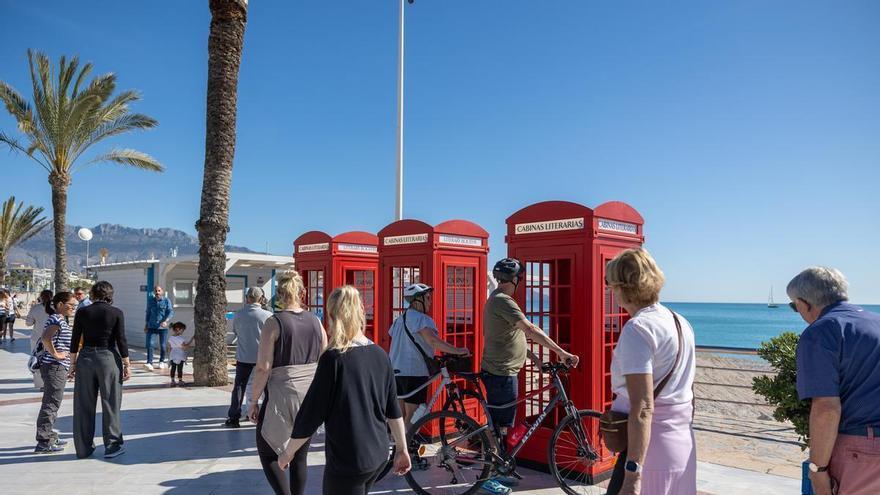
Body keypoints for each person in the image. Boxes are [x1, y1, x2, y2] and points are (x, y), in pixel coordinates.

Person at [277, 286, 411, 495]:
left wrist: (288, 452)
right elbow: (393, 409)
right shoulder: (380, 354)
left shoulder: (333, 359)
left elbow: (312, 413)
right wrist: (402, 449)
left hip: (349, 459)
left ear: (332, 317)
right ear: (359, 313)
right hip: (378, 454)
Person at [480, 258, 579, 491]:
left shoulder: (499, 300)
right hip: (501, 373)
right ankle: (489, 476)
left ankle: (499, 467)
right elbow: (530, 329)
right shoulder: (504, 301)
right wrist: (561, 352)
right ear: (515, 279)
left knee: (501, 426)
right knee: (498, 428)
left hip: (503, 370)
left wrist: (536, 360)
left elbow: (514, 336)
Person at [604, 248, 697, 495]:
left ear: (624, 287)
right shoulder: (679, 321)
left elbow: (643, 407)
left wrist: (632, 476)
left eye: (611, 285)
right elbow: (689, 389)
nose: (611, 292)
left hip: (647, 452)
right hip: (680, 443)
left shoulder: (638, 329)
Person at [789, 267, 880, 495]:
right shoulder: (875, 322)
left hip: (859, 450)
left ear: (803, 303)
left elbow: (826, 409)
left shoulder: (821, 332)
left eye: (794, 306)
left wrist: (818, 470)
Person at [246, 271, 325, 495]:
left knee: (267, 450)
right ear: (302, 292)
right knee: (300, 455)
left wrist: (253, 401)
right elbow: (325, 356)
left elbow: (263, 367)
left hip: (280, 396)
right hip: (308, 395)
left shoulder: (274, 323)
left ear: (279, 293)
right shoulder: (315, 321)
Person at [388, 283, 469, 427]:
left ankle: (397, 446)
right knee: (413, 416)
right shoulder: (422, 319)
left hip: (395, 371)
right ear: (418, 300)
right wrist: (458, 350)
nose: (430, 302)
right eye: (428, 298)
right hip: (414, 372)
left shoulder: (398, 320)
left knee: (400, 415)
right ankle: (406, 447)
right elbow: (433, 341)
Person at [69, 281, 131, 459]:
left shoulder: (82, 312)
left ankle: (83, 448)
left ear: (93, 294)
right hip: (108, 358)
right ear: (110, 295)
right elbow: (121, 340)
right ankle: (112, 446)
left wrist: (72, 364)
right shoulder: (116, 313)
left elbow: (75, 339)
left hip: (86, 357)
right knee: (111, 403)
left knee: (83, 405)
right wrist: (127, 365)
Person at [33, 292, 77, 453]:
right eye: (70, 305)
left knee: (52, 403)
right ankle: (44, 441)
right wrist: (57, 355)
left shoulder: (59, 319)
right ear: (59, 304)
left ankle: (49, 436)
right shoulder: (56, 319)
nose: (73, 308)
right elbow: (46, 338)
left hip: (57, 367)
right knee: (51, 403)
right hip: (54, 366)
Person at [225, 287, 272, 427]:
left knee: (239, 387)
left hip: (244, 357)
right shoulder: (267, 315)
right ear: (261, 299)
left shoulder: (238, 315)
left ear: (247, 298)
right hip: (262, 357)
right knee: (267, 387)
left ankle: (234, 417)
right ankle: (266, 415)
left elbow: (236, 332)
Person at [26, 290, 54, 389]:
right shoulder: (55, 308)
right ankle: (50, 382)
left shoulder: (35, 308)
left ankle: (40, 384)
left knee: (37, 360)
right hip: (52, 339)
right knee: (51, 361)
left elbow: (28, 323)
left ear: (41, 297)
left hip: (36, 338)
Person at [144, 285, 173, 371]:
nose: (157, 293)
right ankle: (149, 363)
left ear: (162, 292)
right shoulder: (151, 301)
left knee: (163, 346)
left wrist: (166, 321)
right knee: (150, 344)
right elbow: (148, 313)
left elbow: (170, 312)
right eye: (156, 291)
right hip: (151, 326)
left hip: (162, 327)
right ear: (154, 292)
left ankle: (161, 361)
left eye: (159, 291)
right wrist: (146, 324)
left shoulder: (166, 301)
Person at [166, 321, 192, 387]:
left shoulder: (170, 338)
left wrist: (169, 356)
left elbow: (169, 347)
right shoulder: (181, 338)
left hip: (173, 354)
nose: (182, 332)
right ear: (178, 329)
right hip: (180, 355)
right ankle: (180, 380)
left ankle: (172, 380)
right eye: (182, 330)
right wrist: (191, 341)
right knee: (180, 368)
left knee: (173, 368)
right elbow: (184, 347)